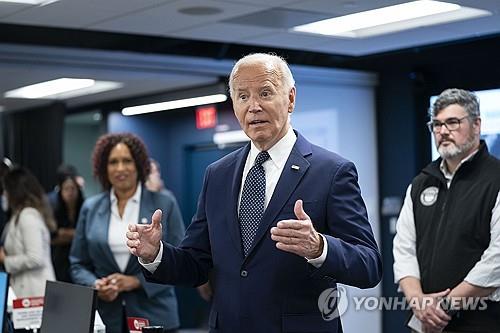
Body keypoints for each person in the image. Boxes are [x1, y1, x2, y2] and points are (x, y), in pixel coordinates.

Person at [127, 53, 382, 332]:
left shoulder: (332, 171)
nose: (254, 107)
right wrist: (155, 254)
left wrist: (319, 247)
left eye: (265, 93)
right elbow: (196, 263)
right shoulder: (218, 174)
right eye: (243, 96)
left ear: (291, 99)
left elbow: (368, 265)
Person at [393, 88, 500, 332]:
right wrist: (419, 302)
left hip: (481, 321)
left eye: (452, 122)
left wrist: (444, 306)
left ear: (476, 125)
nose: (442, 131)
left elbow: (497, 259)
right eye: (437, 124)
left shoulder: (496, 179)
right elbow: (404, 248)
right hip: (425, 321)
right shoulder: (421, 182)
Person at [69, 133, 185, 333]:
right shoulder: (90, 207)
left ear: (139, 165)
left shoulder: (164, 204)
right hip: (104, 319)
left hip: (154, 316)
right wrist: (96, 284)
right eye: (113, 162)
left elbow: (180, 261)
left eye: (127, 161)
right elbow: (77, 263)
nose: (120, 168)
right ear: (104, 168)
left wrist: (135, 282)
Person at [0, 167, 56, 297]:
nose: (4, 195)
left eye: (6, 190)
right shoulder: (19, 215)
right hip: (26, 291)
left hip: (36, 293)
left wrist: (5, 260)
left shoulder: (28, 217)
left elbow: (35, 258)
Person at [50, 172, 84, 282]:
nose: (70, 192)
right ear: (61, 191)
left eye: (73, 188)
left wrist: (64, 233)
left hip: (80, 258)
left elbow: (87, 235)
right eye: (66, 189)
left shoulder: (85, 207)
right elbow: (53, 238)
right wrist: (77, 234)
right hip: (59, 259)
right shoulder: (55, 209)